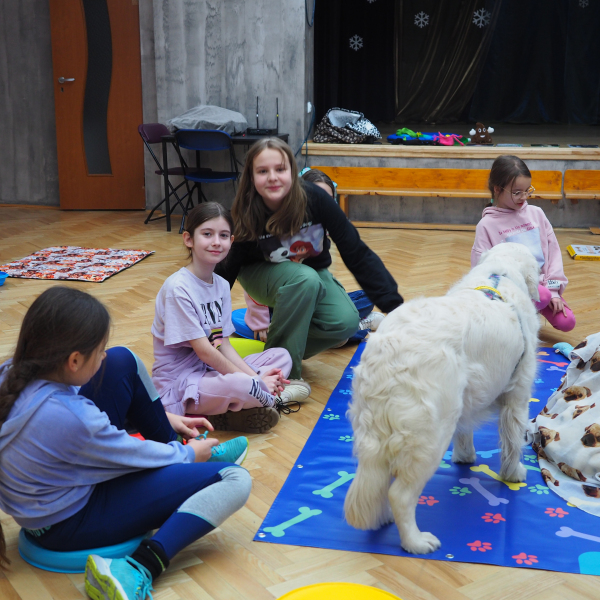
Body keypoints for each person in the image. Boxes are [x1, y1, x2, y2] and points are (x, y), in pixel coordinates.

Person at [0, 286, 252, 600]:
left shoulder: (11, 373)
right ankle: (140, 567)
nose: (103, 355)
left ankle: (181, 448)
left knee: (122, 360)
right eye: (99, 350)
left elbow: (83, 421)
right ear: (74, 360)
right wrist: (186, 454)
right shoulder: (72, 419)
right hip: (67, 524)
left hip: (51, 500)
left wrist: (168, 419)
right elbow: (130, 451)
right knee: (235, 478)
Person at [215, 138, 404, 380]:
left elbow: (356, 251)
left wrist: (397, 311)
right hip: (259, 272)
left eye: (280, 169)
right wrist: (211, 329)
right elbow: (225, 270)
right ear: (251, 177)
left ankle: (275, 355)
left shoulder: (316, 199)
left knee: (345, 322)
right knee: (304, 279)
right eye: (262, 171)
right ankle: (284, 377)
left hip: (310, 271)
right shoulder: (245, 210)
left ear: (292, 173)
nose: (272, 177)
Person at [152, 202, 307, 435]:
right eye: (207, 234)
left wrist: (255, 376)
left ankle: (242, 403)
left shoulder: (222, 285)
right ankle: (271, 397)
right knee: (242, 384)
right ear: (188, 239)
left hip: (210, 372)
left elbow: (222, 344)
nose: (216, 242)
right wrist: (254, 380)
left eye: (223, 235)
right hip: (181, 383)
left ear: (231, 241)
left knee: (281, 356)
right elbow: (206, 352)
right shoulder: (178, 289)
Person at [243, 167, 386, 345]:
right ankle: (357, 327)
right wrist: (260, 321)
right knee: (340, 333)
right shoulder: (278, 228)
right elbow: (256, 280)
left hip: (312, 299)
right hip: (282, 304)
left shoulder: (321, 231)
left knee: (367, 298)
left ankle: (346, 328)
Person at [471, 155, 575, 332]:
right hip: (510, 290)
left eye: (527, 190)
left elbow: (553, 255)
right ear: (497, 189)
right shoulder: (486, 225)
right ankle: (516, 314)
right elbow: (481, 269)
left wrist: (554, 292)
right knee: (541, 296)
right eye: (517, 192)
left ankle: (533, 308)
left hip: (543, 288)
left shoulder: (537, 213)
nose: (524, 197)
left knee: (567, 322)